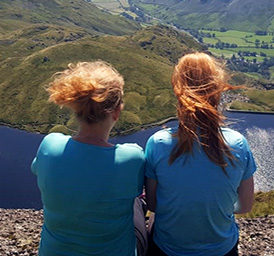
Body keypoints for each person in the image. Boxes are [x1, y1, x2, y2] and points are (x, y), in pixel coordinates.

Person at [145, 52, 256, 256]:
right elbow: (245, 206)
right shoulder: (238, 144)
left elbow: (153, 205)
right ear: (217, 91)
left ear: (179, 92)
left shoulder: (158, 143)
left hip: (168, 250)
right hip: (222, 250)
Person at [31, 61, 146, 256]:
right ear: (117, 112)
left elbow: (36, 169)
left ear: (76, 108)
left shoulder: (50, 146)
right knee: (136, 204)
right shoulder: (132, 157)